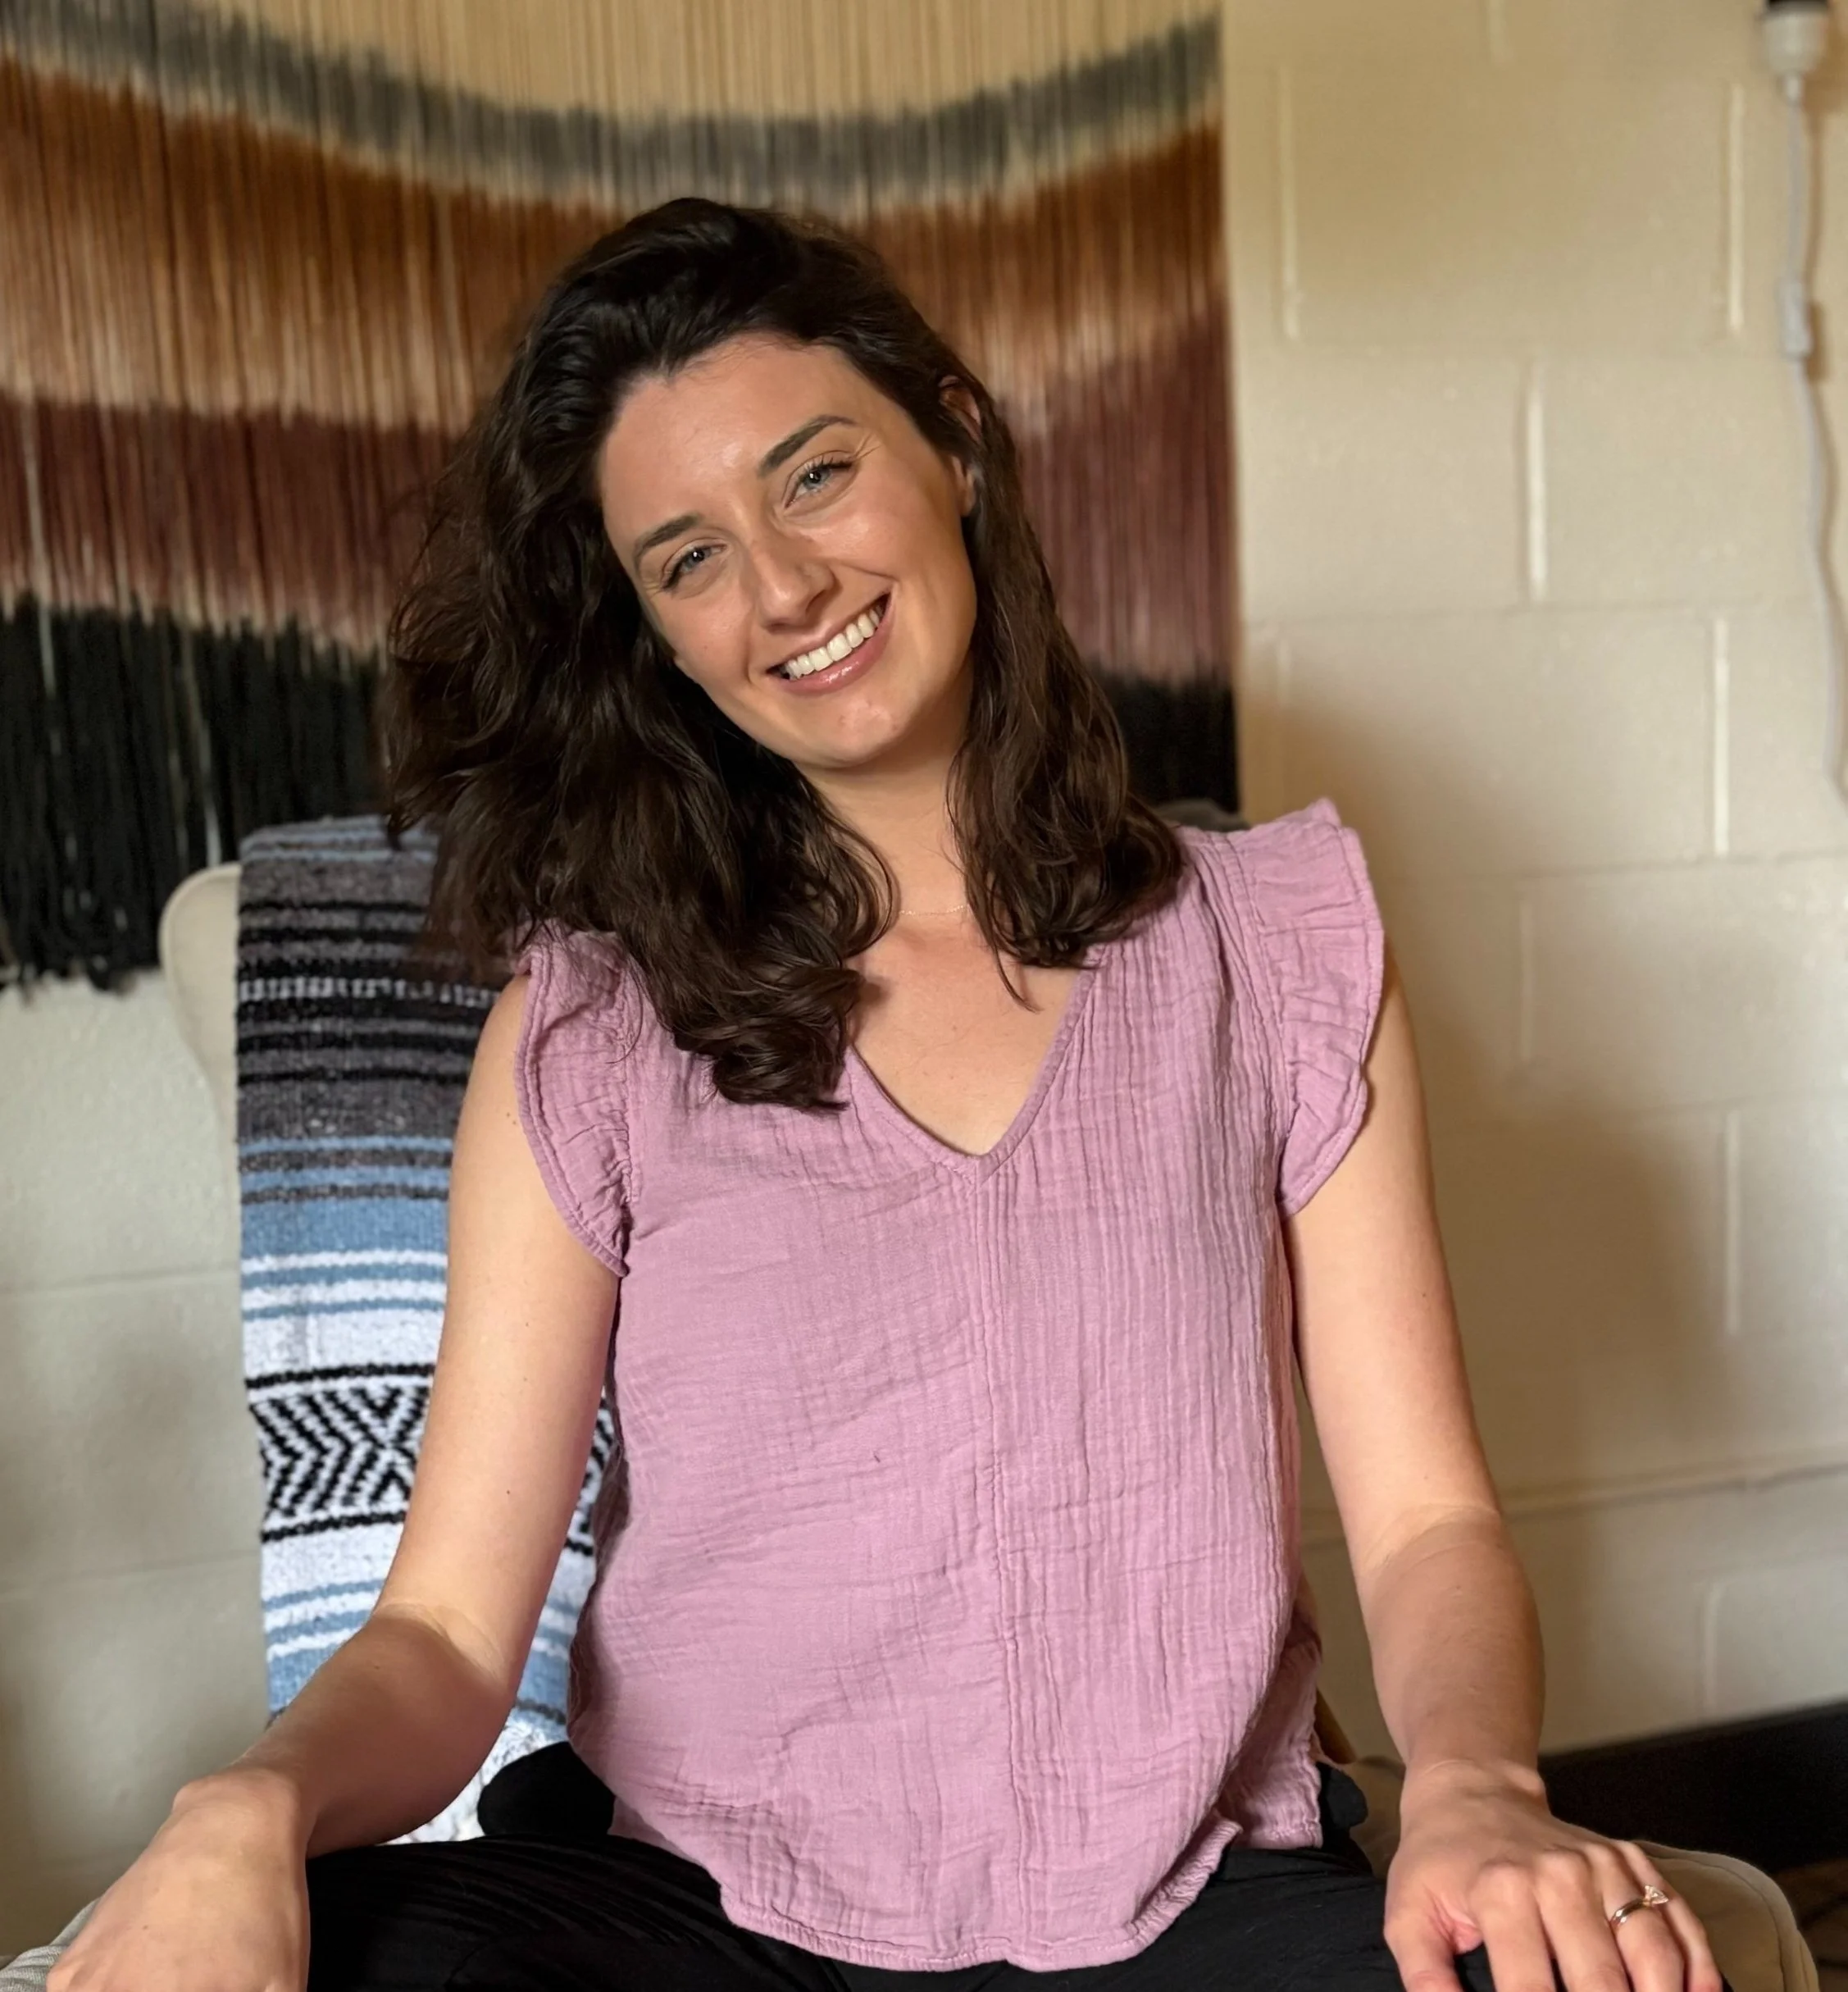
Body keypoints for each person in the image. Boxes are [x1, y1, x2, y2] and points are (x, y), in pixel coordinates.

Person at [48, 198, 1720, 1992]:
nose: (779, 587)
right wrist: (242, 1802)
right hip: (700, 1914)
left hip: (1190, 1903)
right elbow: (452, 1628)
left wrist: (1474, 1783)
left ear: (955, 440)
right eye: (686, 557)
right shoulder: (591, 1017)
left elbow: (1424, 1520)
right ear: (654, 641)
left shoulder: (1277, 941)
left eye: (815, 474)